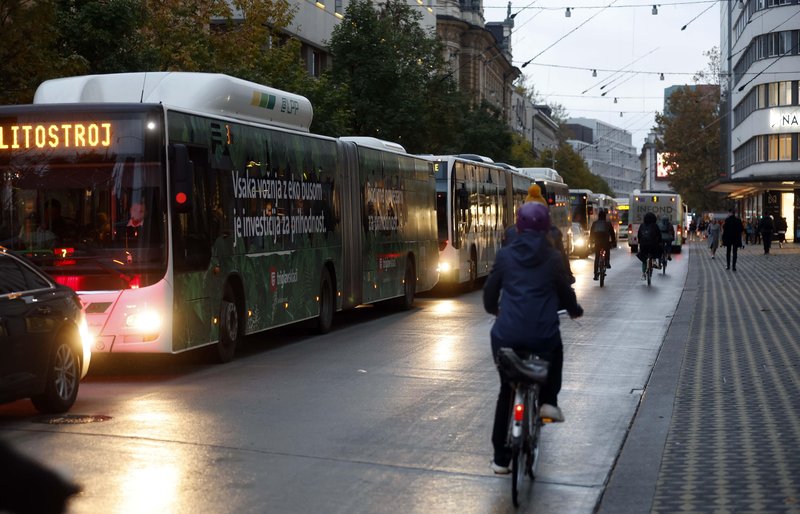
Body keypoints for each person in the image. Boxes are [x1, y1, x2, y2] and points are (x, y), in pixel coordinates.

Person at [483, 202, 583, 474]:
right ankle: (549, 400)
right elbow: (565, 293)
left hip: (506, 336)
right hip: (542, 336)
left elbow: (490, 293)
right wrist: (574, 311)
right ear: (545, 226)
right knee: (557, 349)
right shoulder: (552, 258)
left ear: (519, 225)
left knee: (507, 388)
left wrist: (494, 309)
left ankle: (501, 460)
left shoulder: (505, 256)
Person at [503, 184, 575, 284]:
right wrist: (569, 276)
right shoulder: (553, 234)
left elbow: (495, 282)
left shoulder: (510, 233)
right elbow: (562, 261)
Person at [589, 208, 616, 280]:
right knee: (607, 250)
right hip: (605, 242)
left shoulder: (594, 223)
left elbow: (591, 234)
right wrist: (613, 242)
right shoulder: (608, 224)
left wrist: (591, 241)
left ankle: (595, 274)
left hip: (597, 243)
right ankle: (607, 262)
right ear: (605, 217)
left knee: (597, 257)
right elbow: (612, 234)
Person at [637, 212, 662, 279]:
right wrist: (660, 242)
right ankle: (654, 260)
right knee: (657, 249)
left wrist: (640, 242)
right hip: (652, 245)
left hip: (643, 245)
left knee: (644, 259)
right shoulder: (655, 225)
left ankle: (643, 274)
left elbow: (639, 235)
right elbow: (659, 235)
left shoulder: (642, 225)